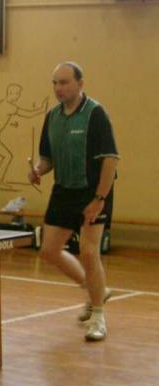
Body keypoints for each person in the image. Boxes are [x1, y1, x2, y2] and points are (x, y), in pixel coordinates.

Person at [29, 61, 118, 342]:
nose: (59, 88)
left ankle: (98, 317)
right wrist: (38, 170)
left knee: (89, 252)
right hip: (64, 190)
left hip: (93, 190)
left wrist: (99, 199)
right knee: (49, 251)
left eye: (64, 82)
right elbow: (47, 158)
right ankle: (95, 290)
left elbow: (111, 159)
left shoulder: (96, 114)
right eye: (55, 83)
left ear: (80, 84)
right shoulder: (52, 117)